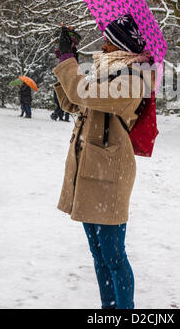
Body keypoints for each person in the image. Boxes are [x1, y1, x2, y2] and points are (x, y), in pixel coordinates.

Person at [53, 16, 155, 310]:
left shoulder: (134, 79)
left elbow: (82, 93)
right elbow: (72, 103)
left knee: (113, 255)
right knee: (98, 254)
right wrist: (63, 68)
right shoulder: (107, 72)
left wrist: (68, 61)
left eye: (110, 39)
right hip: (88, 171)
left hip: (109, 175)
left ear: (123, 43)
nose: (104, 43)